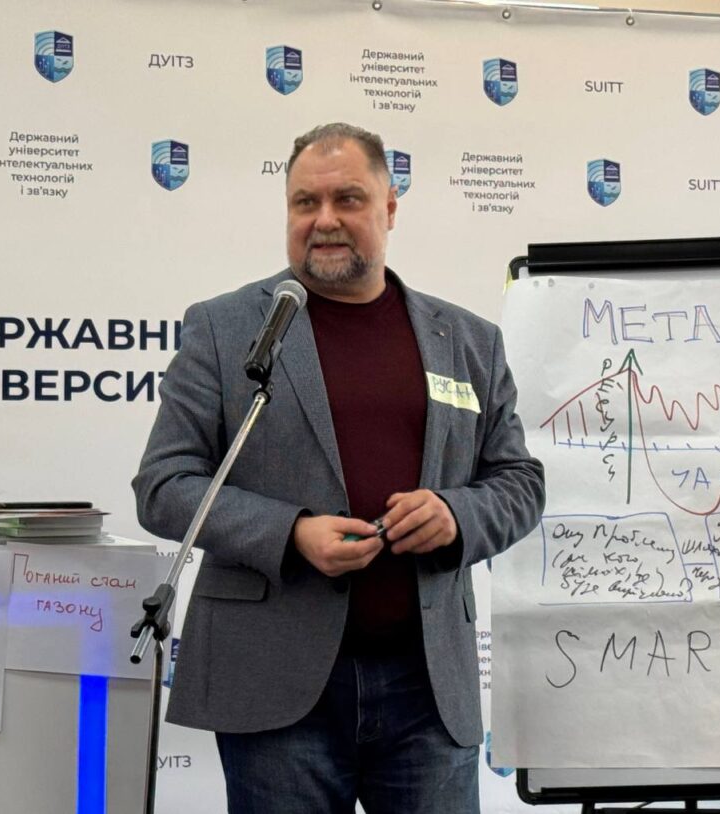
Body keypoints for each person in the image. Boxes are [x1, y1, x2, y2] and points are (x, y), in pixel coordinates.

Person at [132, 122, 545, 814]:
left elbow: (519, 482)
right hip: (275, 686)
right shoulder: (225, 330)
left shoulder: (468, 341)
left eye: (348, 199)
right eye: (305, 203)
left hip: (426, 689)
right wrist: (292, 533)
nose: (324, 220)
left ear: (389, 208)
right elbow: (164, 486)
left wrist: (455, 514)